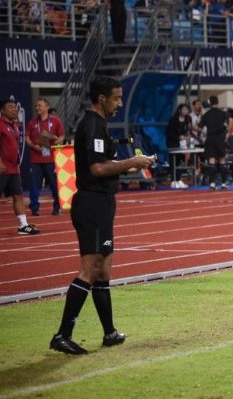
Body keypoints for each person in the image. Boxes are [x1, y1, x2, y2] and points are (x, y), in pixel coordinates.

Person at [49, 76, 156, 355]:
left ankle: (109, 332)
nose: (120, 103)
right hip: (92, 204)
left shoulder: (99, 125)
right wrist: (130, 162)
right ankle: (62, 334)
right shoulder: (93, 125)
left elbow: (104, 165)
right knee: (89, 269)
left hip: (103, 203)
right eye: (117, 98)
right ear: (101, 99)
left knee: (104, 270)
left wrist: (127, 166)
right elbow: (96, 169)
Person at [1, 99, 40, 235]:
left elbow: (15, 147)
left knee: (18, 196)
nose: (14, 109)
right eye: (10, 107)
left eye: (14, 107)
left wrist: (17, 163)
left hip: (13, 168)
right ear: (2, 111)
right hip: (2, 168)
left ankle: (23, 225)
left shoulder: (15, 126)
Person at [25, 98, 65, 216]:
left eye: (40, 106)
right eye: (36, 106)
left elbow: (62, 136)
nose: (37, 108)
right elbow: (27, 137)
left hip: (51, 159)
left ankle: (56, 207)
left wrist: (57, 141)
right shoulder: (32, 122)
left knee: (53, 184)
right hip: (36, 158)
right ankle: (34, 207)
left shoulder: (56, 121)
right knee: (35, 185)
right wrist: (33, 145)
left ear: (47, 107)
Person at [199, 96, 229, 191]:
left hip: (210, 138)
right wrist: (226, 134)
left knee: (211, 162)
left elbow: (200, 127)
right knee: (222, 162)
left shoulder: (206, 114)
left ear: (210, 102)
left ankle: (212, 184)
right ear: (218, 102)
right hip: (220, 138)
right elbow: (229, 124)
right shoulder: (223, 114)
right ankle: (224, 184)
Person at [166, 104, 193, 189]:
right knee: (173, 161)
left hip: (182, 143)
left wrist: (187, 136)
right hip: (173, 142)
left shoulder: (188, 119)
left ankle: (179, 179)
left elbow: (188, 131)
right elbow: (169, 132)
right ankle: (173, 180)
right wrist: (178, 137)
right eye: (184, 109)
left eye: (187, 109)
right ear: (180, 110)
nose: (185, 111)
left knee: (180, 161)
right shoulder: (174, 120)